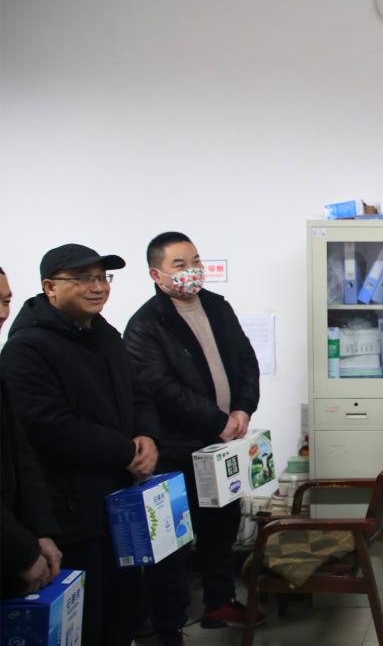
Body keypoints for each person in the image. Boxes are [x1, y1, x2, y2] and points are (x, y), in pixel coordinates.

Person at [0, 244, 159, 646]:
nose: (97, 286)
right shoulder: (27, 348)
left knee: (125, 611)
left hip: (118, 505)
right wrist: (127, 451)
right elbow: (50, 427)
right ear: (50, 287)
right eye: (83, 278)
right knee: (89, 623)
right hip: (72, 513)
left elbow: (138, 391)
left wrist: (146, 436)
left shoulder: (105, 334)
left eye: (102, 277)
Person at [123, 232, 262, 645]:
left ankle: (220, 602)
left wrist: (243, 409)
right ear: (157, 274)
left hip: (221, 446)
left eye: (196, 261)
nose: (192, 271)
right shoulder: (146, 324)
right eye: (180, 265)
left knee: (222, 528)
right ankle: (169, 628)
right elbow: (160, 387)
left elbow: (246, 360)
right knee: (172, 544)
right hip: (174, 450)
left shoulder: (217, 306)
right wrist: (216, 420)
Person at [1, 266, 62, 597]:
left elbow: (20, 454)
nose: (2, 313)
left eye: (5, 301)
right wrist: (21, 550)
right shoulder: (23, 350)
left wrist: (40, 531)